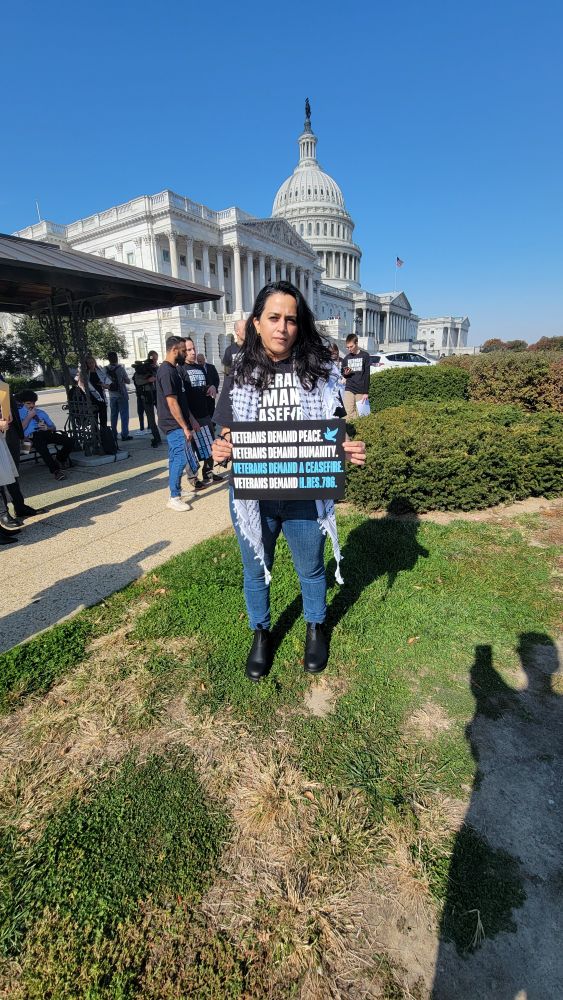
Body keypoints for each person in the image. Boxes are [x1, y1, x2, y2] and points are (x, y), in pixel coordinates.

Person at [212, 280, 366, 682]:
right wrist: (222, 448)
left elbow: (335, 425)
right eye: (273, 318)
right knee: (255, 571)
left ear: (300, 325)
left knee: (311, 568)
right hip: (253, 496)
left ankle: (316, 626)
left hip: (304, 491)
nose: (282, 327)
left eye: (291, 319)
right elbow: (228, 431)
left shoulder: (319, 371)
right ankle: (261, 634)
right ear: (257, 323)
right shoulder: (239, 373)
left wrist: (345, 447)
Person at [156, 336, 201, 512]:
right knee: (180, 458)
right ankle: (174, 497)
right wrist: (184, 427)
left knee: (175, 457)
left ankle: (177, 490)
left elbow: (181, 399)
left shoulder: (173, 369)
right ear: (174, 350)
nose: (185, 354)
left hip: (177, 423)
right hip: (172, 423)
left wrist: (190, 420)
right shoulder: (166, 372)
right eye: (183, 351)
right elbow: (172, 403)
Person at [179, 339, 222, 486]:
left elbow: (206, 385)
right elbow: (182, 399)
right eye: (189, 350)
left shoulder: (199, 368)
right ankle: (193, 478)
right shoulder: (180, 370)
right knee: (191, 450)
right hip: (191, 418)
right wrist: (191, 420)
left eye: (193, 349)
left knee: (209, 446)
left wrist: (211, 388)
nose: (193, 352)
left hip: (205, 414)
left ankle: (208, 472)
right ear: (182, 352)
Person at [0, 372, 39, 517]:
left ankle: (18, 505)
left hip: (11, 430)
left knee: (12, 470)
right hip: (3, 429)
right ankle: (6, 513)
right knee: (4, 473)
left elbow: (5, 397)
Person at [17, 390, 73, 481]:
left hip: (45, 433)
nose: (32, 405)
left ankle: (59, 459)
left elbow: (53, 427)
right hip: (29, 438)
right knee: (42, 448)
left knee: (69, 440)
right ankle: (56, 471)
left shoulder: (40, 412)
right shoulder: (18, 413)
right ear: (22, 403)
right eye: (28, 403)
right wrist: (29, 416)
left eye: (33, 403)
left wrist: (47, 428)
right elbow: (19, 430)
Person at [132, 351, 161, 447]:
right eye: (155, 359)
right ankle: (157, 438)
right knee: (151, 418)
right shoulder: (142, 369)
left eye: (156, 359)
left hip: (156, 394)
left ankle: (160, 436)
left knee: (162, 414)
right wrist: (148, 380)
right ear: (151, 358)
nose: (155, 361)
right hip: (147, 395)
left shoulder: (156, 368)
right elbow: (137, 381)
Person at [74, 355, 110, 430]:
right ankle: (96, 437)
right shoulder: (84, 373)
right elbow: (81, 384)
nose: (91, 364)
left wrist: (103, 385)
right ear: (86, 364)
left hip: (101, 396)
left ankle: (104, 434)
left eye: (92, 362)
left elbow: (108, 384)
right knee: (94, 419)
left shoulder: (99, 371)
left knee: (103, 417)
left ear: (95, 362)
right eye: (89, 363)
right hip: (91, 397)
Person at [341, 334, 370, 418]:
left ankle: (359, 429)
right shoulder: (346, 358)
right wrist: (345, 374)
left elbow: (367, 374)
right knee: (349, 412)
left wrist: (366, 392)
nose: (349, 349)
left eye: (351, 346)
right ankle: (351, 429)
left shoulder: (365, 356)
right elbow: (343, 374)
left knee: (363, 414)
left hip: (361, 390)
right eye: (348, 347)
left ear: (356, 343)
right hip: (349, 388)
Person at [105, 352, 132, 442]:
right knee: (124, 415)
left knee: (113, 415)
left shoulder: (105, 369)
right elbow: (127, 381)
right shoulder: (120, 368)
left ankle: (114, 434)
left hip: (112, 395)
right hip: (122, 394)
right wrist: (123, 380)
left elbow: (105, 382)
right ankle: (124, 434)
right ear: (116, 358)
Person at [196, 352, 220, 418]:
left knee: (212, 408)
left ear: (204, 359)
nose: (199, 363)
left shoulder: (211, 367)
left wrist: (215, 388)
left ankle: (213, 424)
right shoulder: (197, 368)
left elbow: (216, 379)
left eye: (200, 361)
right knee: (205, 409)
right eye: (198, 361)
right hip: (203, 393)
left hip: (212, 393)